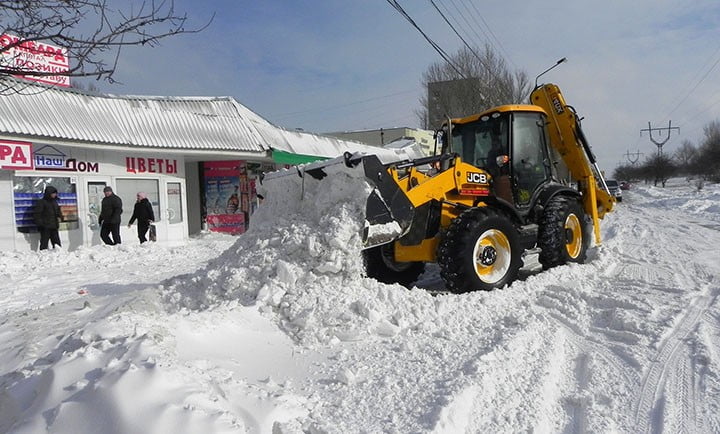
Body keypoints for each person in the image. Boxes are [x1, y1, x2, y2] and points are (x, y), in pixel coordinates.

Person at [33, 186, 63, 250]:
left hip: (54, 226)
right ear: (49, 194)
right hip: (45, 227)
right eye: (53, 193)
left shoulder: (54, 202)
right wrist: (41, 225)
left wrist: (60, 216)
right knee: (44, 244)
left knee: (57, 244)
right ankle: (43, 257)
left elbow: (57, 211)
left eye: (55, 193)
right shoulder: (42, 202)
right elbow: (37, 215)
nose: (55, 195)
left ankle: (59, 257)